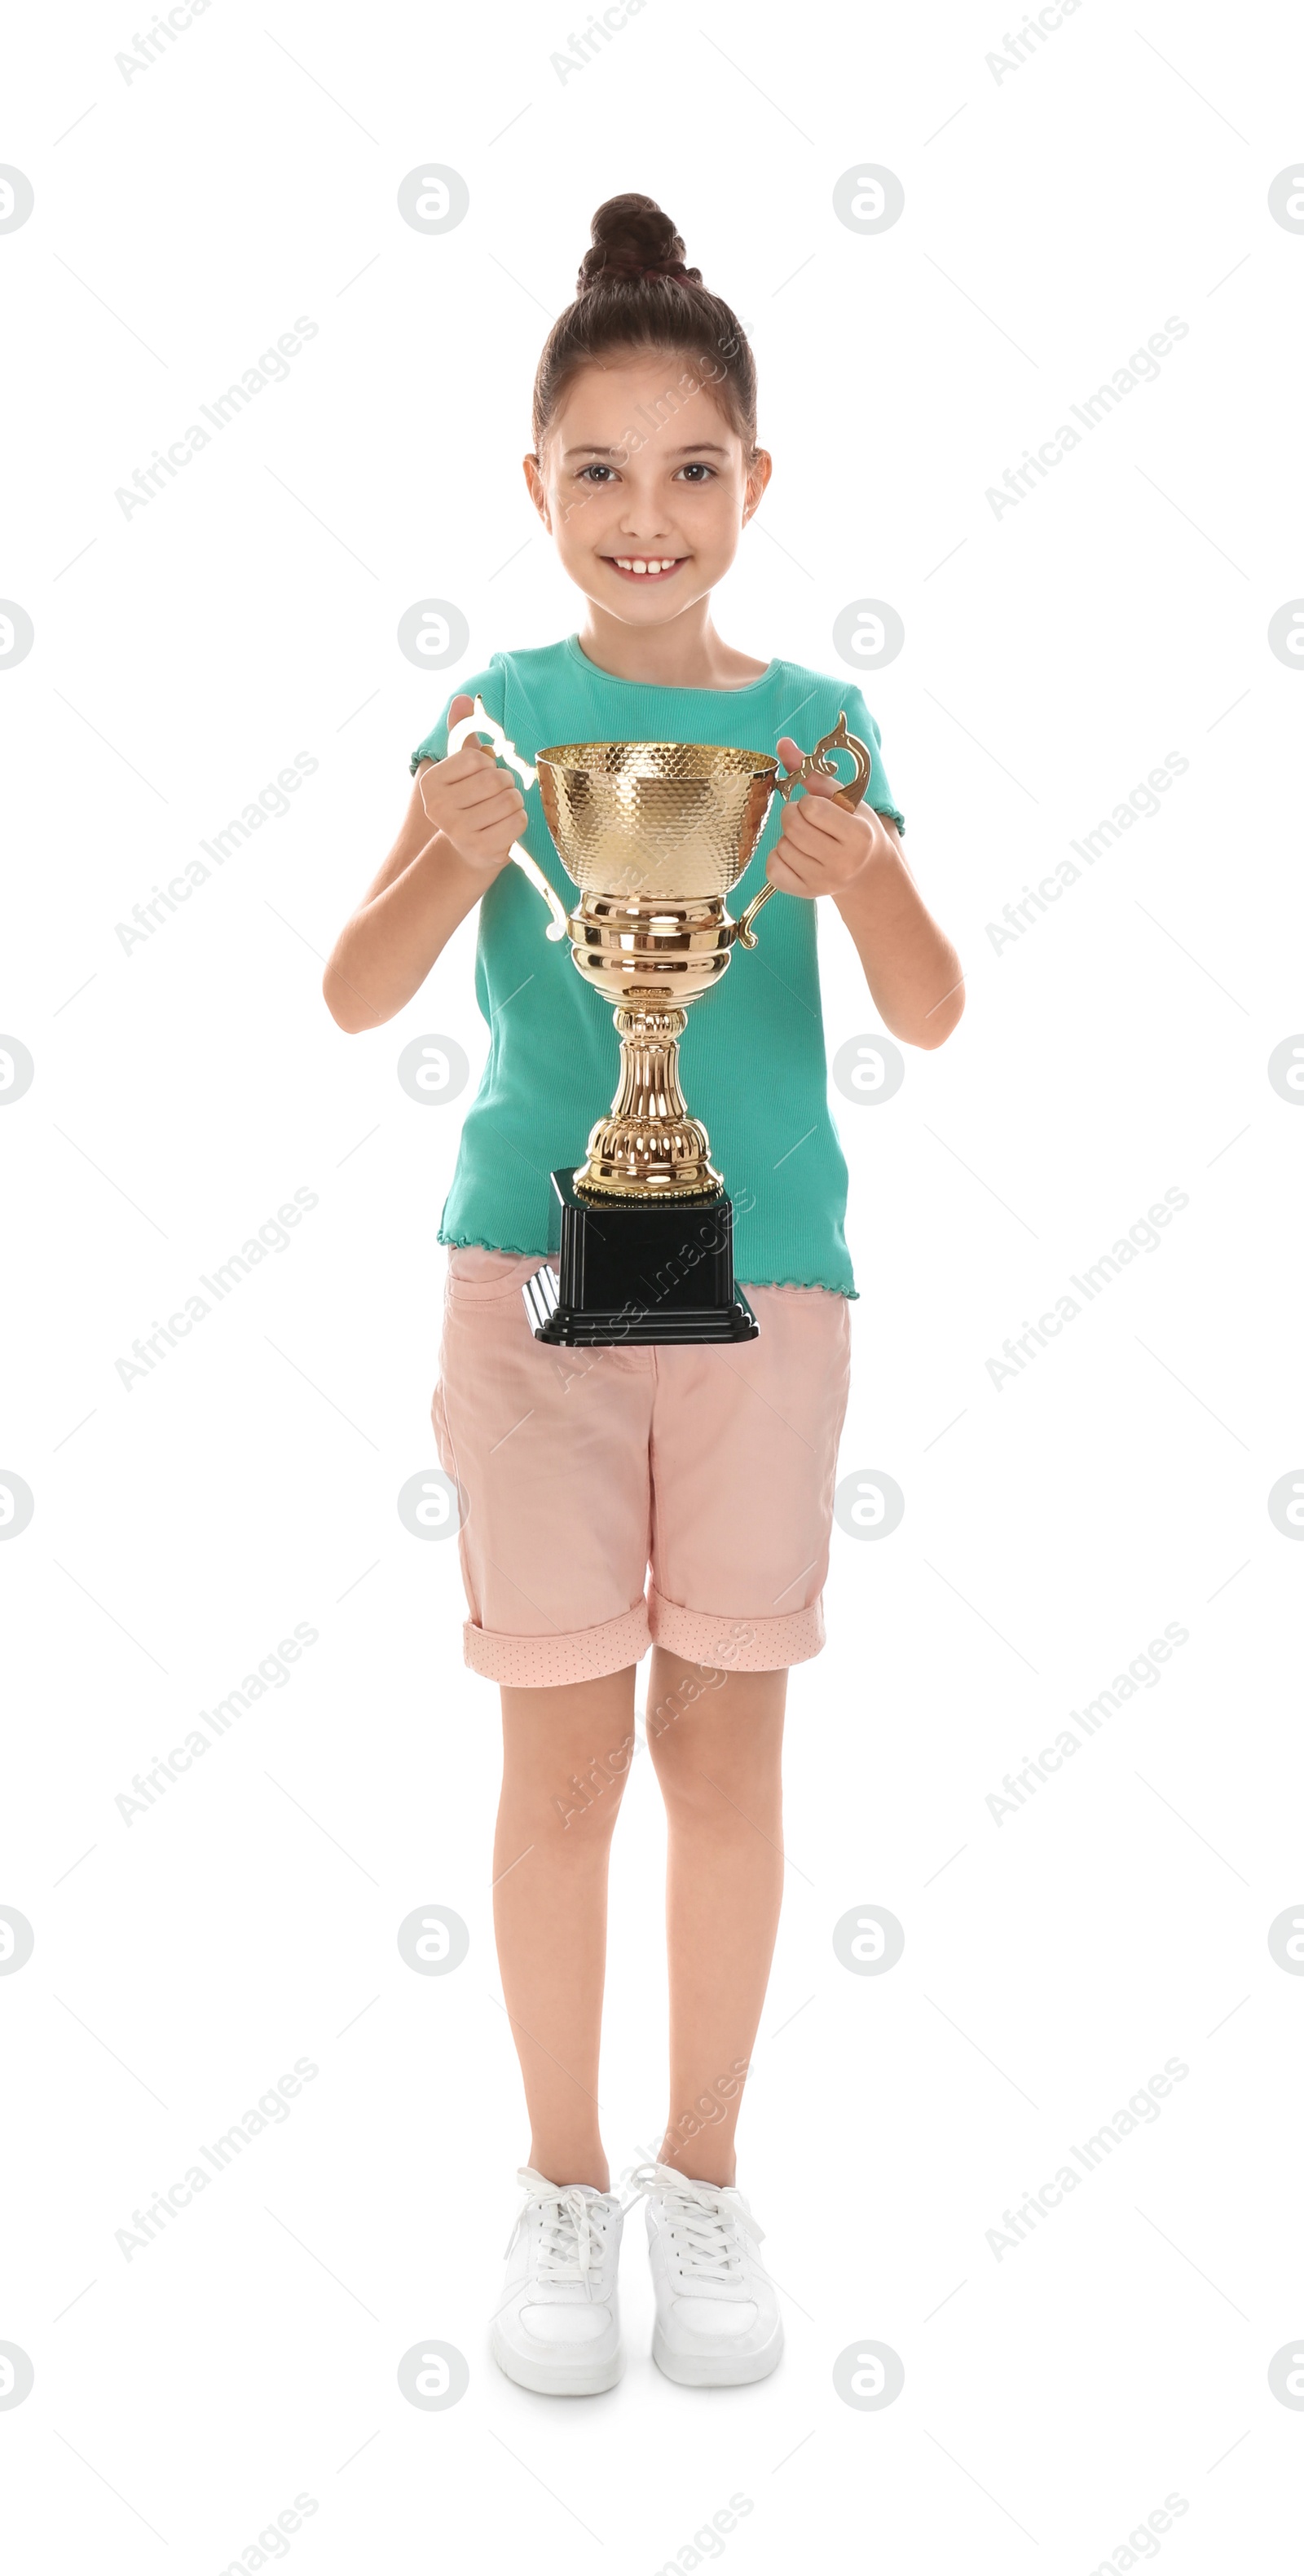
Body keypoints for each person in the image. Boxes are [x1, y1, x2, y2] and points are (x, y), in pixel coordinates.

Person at [324, 192, 963, 2397]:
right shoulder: (495, 718)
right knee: (563, 1763)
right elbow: (353, 992)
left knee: (728, 1746)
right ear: (536, 493)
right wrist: (436, 842)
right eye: (597, 470)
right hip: (532, 1291)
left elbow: (939, 1009)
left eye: (693, 468)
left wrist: (866, 873)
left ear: (756, 489)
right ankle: (563, 2187)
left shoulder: (815, 727)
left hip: (770, 1294)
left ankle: (704, 2180)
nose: (647, 514)